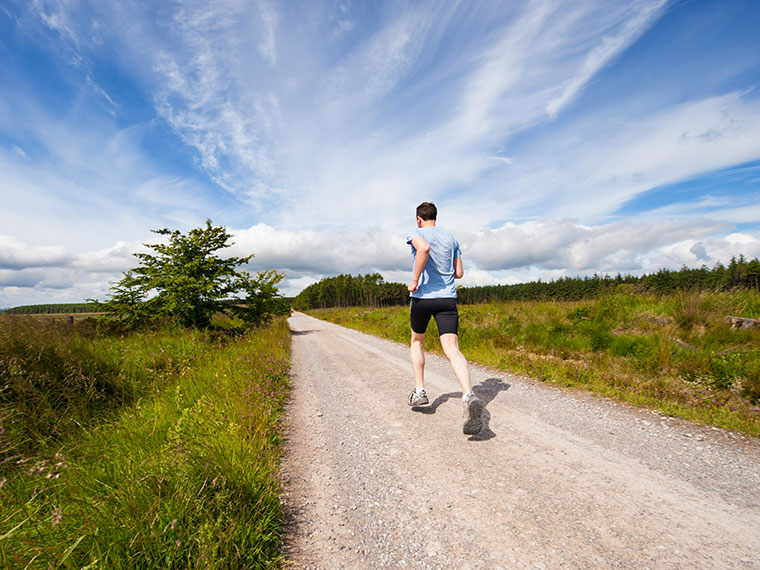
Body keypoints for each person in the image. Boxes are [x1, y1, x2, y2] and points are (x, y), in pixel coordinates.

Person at [406, 202, 483, 435]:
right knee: (452, 348)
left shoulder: (416, 233)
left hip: (422, 298)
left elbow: (424, 249)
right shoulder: (451, 238)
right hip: (447, 299)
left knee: (417, 341)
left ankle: (420, 391)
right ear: (435, 217)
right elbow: (459, 273)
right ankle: (468, 394)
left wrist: (415, 279)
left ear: (419, 219)